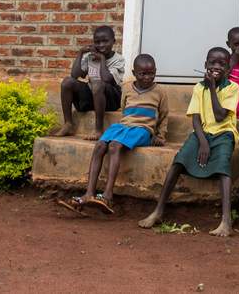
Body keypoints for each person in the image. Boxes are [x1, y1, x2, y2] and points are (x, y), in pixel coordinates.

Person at [139, 47, 239, 237]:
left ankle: (226, 221)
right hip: (202, 132)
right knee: (178, 162)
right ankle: (158, 211)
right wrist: (202, 142)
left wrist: (211, 88)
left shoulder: (232, 88)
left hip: (224, 133)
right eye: (212, 63)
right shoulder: (198, 87)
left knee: (224, 169)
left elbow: (219, 116)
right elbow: (195, 118)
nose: (216, 67)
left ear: (228, 69)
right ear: (205, 65)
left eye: (221, 64)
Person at [60, 53, 169, 215]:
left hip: (143, 129)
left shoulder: (160, 91)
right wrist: (124, 126)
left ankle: (108, 195)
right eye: (143, 74)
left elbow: (164, 114)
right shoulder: (127, 88)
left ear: (155, 71)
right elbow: (125, 110)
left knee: (114, 146)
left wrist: (160, 135)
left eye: (151, 73)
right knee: (100, 145)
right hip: (124, 126)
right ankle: (89, 193)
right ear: (134, 72)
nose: (147, 77)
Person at [57, 26, 125, 140]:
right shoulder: (90, 56)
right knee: (67, 82)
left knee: (97, 84)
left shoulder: (118, 59)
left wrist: (102, 59)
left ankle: (98, 130)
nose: (101, 45)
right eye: (97, 42)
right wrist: (80, 53)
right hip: (93, 97)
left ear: (113, 41)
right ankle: (68, 124)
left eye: (105, 41)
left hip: (111, 99)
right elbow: (74, 75)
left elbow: (107, 79)